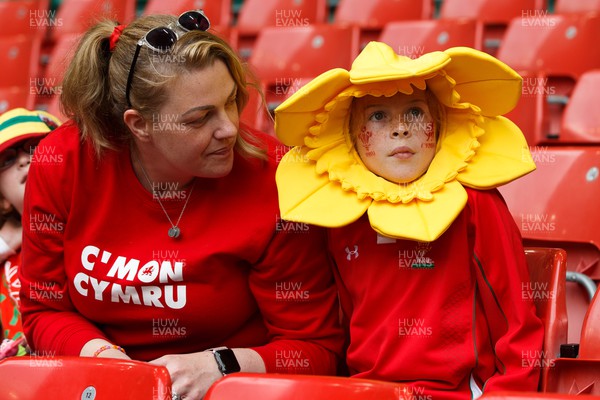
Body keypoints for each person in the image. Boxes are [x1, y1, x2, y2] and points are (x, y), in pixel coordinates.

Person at [18, 10, 344, 400]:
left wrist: (219, 366)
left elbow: (315, 350)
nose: (229, 128)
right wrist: (109, 364)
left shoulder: (274, 175)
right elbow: (44, 311)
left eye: (230, 102)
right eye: (199, 118)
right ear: (139, 125)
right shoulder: (64, 162)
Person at [274, 42, 545, 399]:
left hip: (458, 393)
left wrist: (509, 393)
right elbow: (339, 325)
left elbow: (516, 318)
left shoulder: (476, 203)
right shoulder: (336, 213)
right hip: (362, 392)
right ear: (353, 136)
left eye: (415, 112)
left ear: (440, 122)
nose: (401, 129)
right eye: (378, 116)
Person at [0, 108, 60, 360]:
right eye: (8, 160)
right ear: (2, 200)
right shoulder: (5, 252)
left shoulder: (94, 224)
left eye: (35, 147)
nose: (25, 160)